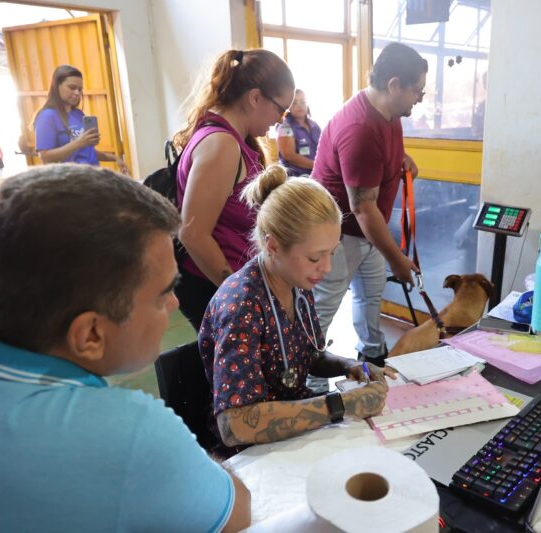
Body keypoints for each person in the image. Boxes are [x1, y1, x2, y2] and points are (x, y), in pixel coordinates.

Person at [0, 164, 250, 532]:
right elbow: (238, 513)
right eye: (162, 294)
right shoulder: (129, 435)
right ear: (90, 335)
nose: (174, 304)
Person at [199, 164, 392, 457]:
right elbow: (234, 426)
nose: (326, 268)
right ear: (273, 245)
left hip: (297, 433)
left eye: (332, 253)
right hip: (252, 454)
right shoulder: (241, 306)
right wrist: (341, 405)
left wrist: (351, 366)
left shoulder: (296, 281)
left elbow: (306, 354)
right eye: (315, 257)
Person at [312, 42, 427, 366]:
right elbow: (362, 207)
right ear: (394, 85)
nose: (419, 98)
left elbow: (381, 152)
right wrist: (398, 260)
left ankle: (373, 353)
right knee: (324, 307)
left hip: (367, 231)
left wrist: (400, 158)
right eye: (417, 91)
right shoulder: (360, 127)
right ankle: (310, 380)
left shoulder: (390, 113)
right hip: (337, 233)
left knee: (370, 295)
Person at [174, 49, 295, 332]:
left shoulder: (232, 138)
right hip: (216, 288)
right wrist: (238, 290)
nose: (280, 120)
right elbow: (193, 233)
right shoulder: (221, 145)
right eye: (280, 109)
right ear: (254, 97)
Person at [33, 65, 128, 172]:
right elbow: (45, 156)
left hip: (91, 176)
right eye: (72, 88)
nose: (77, 93)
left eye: (80, 89)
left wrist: (113, 158)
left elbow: (85, 151)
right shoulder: (47, 116)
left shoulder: (78, 114)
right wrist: (79, 142)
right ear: (57, 86)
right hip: (69, 180)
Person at [276, 89, 322, 176]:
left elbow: (324, 149)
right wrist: (317, 165)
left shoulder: (315, 126)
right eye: (294, 103)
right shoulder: (285, 126)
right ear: (288, 106)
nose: (299, 105)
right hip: (295, 179)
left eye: (303, 102)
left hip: (316, 174)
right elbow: (289, 156)